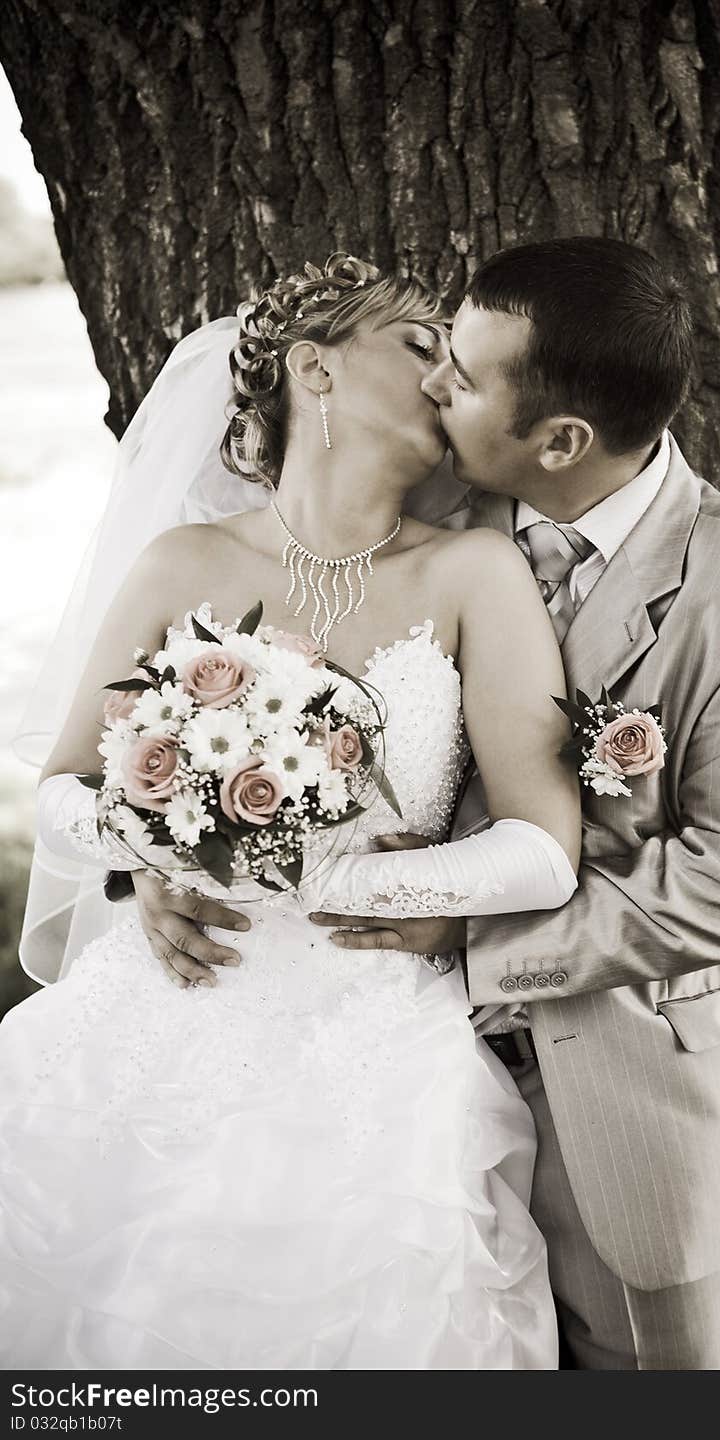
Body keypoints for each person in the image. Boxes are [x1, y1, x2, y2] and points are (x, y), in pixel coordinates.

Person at [177, 236, 720, 1370]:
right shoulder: (421, 502)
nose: (436, 385)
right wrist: (169, 853)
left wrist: (471, 944)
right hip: (375, 1088)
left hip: (633, 1107)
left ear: (560, 440)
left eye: (467, 376)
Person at [0, 254, 583, 1369]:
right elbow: (70, 787)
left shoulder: (473, 572)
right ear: (313, 370)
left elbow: (540, 852)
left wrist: (336, 881)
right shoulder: (183, 562)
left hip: (371, 1047)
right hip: (160, 1010)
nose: (446, 371)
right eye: (418, 343)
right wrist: (151, 855)